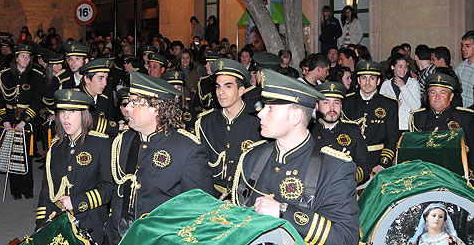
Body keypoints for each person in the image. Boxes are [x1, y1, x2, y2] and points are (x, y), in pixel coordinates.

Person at [232, 69, 360, 245]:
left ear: (296, 117)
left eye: (270, 108)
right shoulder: (252, 157)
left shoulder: (334, 168)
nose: (260, 113)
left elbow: (345, 238)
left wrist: (284, 212)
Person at [107, 71, 215, 242]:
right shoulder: (124, 140)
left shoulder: (187, 149)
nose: (127, 107)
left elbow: (201, 210)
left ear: (156, 108)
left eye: (135, 102)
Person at [35, 89, 112, 244]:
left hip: (90, 222)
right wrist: (40, 225)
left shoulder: (101, 144)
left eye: (71, 111)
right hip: (58, 219)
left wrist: (75, 202)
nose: (65, 117)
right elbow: (47, 190)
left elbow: (109, 188)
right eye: (62, 111)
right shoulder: (55, 147)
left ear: (84, 114)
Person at [195, 58, 261, 196]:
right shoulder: (205, 123)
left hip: (248, 199)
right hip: (213, 198)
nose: (221, 92)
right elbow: (199, 169)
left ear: (241, 90)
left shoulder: (259, 122)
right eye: (218, 86)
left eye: (228, 86)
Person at [0, 43, 44, 199]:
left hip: (28, 120)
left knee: (26, 155)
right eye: (23, 56)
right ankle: (15, 190)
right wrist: (5, 122)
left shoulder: (36, 75)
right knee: (12, 155)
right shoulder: (4, 75)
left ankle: (27, 190)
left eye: (28, 56)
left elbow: (38, 101)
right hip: (9, 118)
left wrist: (24, 122)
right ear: (16, 58)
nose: (26, 59)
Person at [409, 73, 474, 169]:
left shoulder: (465, 118)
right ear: (428, 95)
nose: (437, 97)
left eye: (442, 93)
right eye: (433, 92)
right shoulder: (417, 118)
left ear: (451, 96)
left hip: (454, 176)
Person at [342, 61, 399, 173]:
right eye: (364, 78)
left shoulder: (389, 104)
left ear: (378, 81)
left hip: (376, 162)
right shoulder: (346, 102)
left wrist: (382, 164)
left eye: (372, 78)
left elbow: (392, 138)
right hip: (349, 161)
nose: (367, 82)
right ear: (358, 80)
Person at [312, 82, 373, 185]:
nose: (332, 108)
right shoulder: (307, 132)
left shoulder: (353, 132)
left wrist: (347, 178)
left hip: (344, 190)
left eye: (336, 103)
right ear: (317, 106)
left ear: (341, 106)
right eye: (326, 103)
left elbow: (365, 165)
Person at [78, 58, 120, 137]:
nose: (105, 83)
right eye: (100, 78)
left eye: (106, 78)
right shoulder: (75, 97)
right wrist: (116, 127)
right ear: (87, 79)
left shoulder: (104, 100)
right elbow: (84, 121)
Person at [380, 53, 421, 132]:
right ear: (393, 67)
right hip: (390, 126)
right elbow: (381, 108)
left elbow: (416, 107)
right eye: (400, 67)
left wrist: (403, 87)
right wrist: (393, 106)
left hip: (408, 127)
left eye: (405, 67)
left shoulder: (413, 83)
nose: (403, 70)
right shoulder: (386, 85)